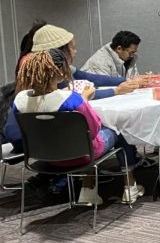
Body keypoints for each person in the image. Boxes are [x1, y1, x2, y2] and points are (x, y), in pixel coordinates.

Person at [10, 49, 142, 205]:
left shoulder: (19, 101)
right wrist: (84, 99)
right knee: (118, 129)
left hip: (44, 158)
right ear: (59, 72)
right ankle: (130, 186)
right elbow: (93, 130)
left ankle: (89, 191)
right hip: (80, 156)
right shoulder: (71, 99)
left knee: (80, 139)